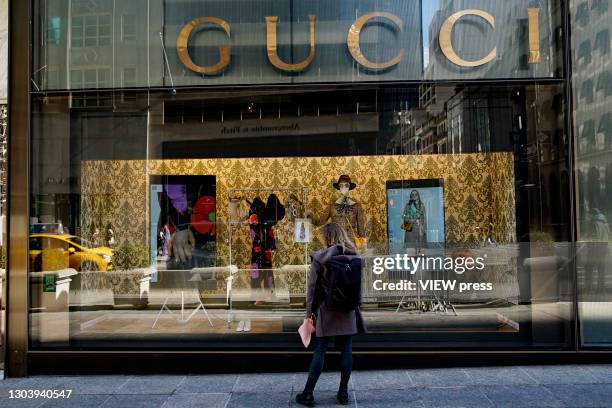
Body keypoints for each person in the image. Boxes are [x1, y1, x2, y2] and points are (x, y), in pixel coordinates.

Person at [296, 223, 366, 406]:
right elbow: (358, 286)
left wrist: (309, 313)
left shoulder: (320, 258)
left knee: (320, 350)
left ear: (326, 238)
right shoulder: (354, 257)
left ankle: (308, 393)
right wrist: (358, 307)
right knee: (347, 349)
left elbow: (312, 289)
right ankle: (343, 393)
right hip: (348, 309)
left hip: (327, 310)